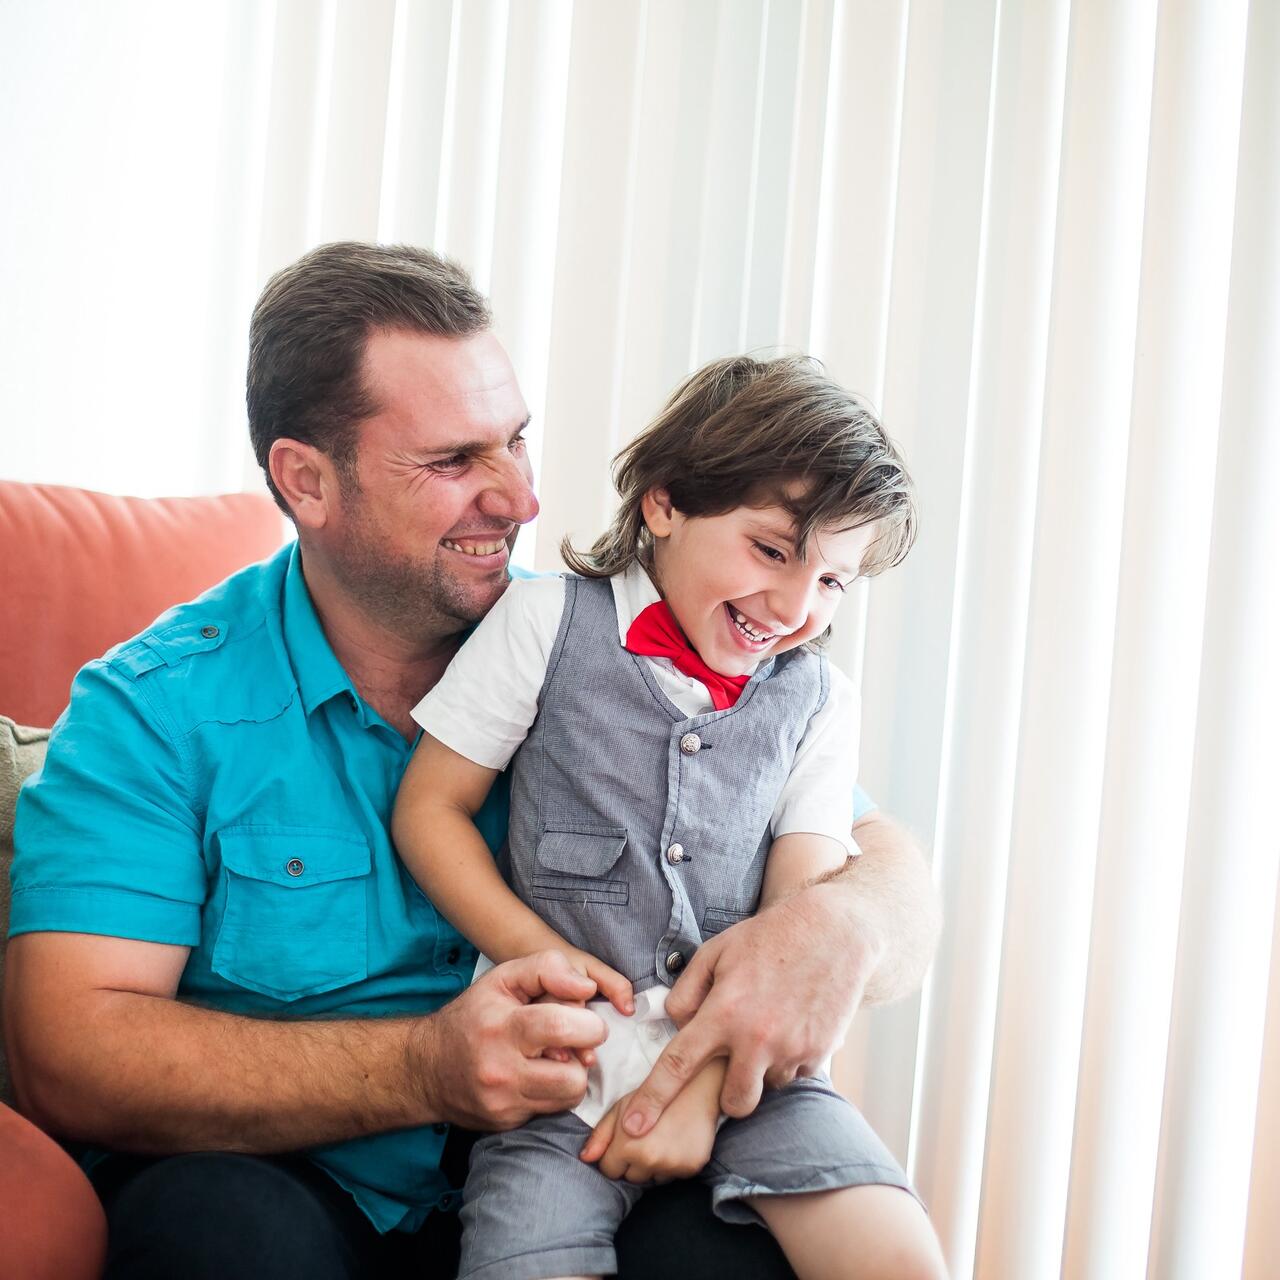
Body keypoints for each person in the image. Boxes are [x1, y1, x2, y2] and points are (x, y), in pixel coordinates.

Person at [4, 243, 941, 1280]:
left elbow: (867, 856)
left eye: (515, 443)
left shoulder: (604, 644)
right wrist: (422, 1069)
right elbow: (66, 1048)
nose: (519, 500)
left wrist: (837, 926)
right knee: (210, 1230)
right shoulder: (153, 709)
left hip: (597, 1142)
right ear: (306, 480)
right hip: (304, 1175)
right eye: (455, 461)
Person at [392, 354, 948, 1280]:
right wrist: (540, 958)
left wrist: (702, 1080)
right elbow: (430, 808)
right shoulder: (543, 624)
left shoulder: (818, 700)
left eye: (834, 582)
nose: (794, 606)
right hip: (554, 1070)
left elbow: (795, 913)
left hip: (744, 1067)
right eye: (772, 551)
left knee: (897, 1255)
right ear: (664, 503)